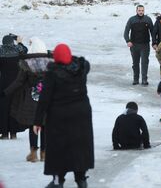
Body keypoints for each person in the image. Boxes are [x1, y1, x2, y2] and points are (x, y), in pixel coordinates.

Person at [33, 44, 94, 188]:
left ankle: (58, 180)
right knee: (79, 148)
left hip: (59, 118)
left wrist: (37, 121)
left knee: (58, 149)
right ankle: (81, 179)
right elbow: (85, 63)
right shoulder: (81, 68)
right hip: (81, 115)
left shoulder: (52, 73)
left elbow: (44, 99)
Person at [2, 38, 49, 162]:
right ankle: (44, 154)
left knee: (33, 125)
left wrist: (5, 92)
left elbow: (18, 82)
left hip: (31, 101)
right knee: (44, 126)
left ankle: (33, 153)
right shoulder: (51, 64)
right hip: (46, 99)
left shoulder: (26, 64)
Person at [0, 34, 28, 139]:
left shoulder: (0, 50)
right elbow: (25, 49)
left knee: (3, 107)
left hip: (3, 83)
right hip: (16, 83)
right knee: (15, 106)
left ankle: (4, 133)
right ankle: (13, 133)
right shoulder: (18, 49)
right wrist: (19, 41)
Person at [124, 5, 154, 85]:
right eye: (139, 10)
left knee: (144, 62)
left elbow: (153, 32)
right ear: (136, 11)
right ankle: (135, 79)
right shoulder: (132, 19)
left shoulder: (148, 19)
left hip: (145, 45)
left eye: (142, 10)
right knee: (135, 63)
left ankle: (144, 79)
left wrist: (154, 42)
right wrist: (128, 41)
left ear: (144, 11)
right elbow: (126, 32)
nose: (141, 12)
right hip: (134, 45)